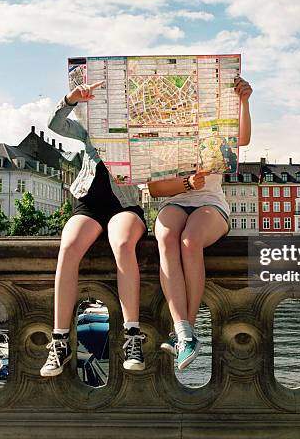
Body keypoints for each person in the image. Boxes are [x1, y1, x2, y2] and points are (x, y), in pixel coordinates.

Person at [40, 80, 148, 377]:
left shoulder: (138, 132)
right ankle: (60, 341)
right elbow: (54, 124)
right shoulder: (88, 129)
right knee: (69, 246)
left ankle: (132, 336)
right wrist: (70, 99)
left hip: (124, 204)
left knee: (122, 244)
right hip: (88, 203)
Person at [148, 75, 253, 370]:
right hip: (177, 201)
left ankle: (185, 331)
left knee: (189, 241)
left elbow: (242, 138)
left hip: (211, 204)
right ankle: (184, 334)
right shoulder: (163, 136)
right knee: (167, 237)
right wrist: (187, 183)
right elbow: (155, 190)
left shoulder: (216, 131)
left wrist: (244, 101)